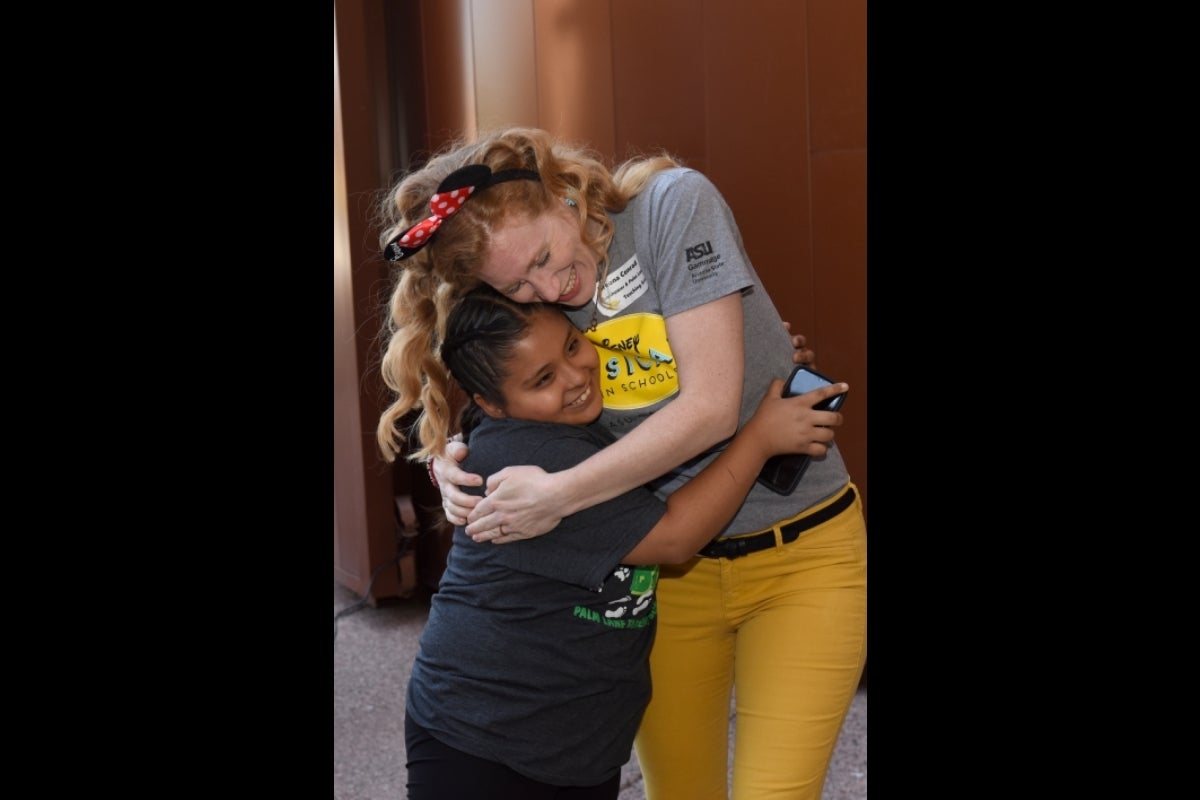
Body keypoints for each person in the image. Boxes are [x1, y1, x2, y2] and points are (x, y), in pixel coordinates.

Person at [375, 127, 867, 800]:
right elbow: (493, 376)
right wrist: (452, 457)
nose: (551, 285)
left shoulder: (672, 206)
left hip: (803, 551)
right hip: (666, 584)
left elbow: (713, 408)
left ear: (560, 191)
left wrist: (562, 493)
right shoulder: (518, 285)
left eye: (548, 254)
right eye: (521, 284)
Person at [401, 285, 848, 799]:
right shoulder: (536, 458)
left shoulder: (558, 418)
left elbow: (667, 386)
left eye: (572, 345)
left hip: (575, 746)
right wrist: (762, 437)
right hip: (481, 740)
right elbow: (675, 537)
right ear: (492, 404)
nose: (576, 376)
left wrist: (753, 363)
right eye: (543, 379)